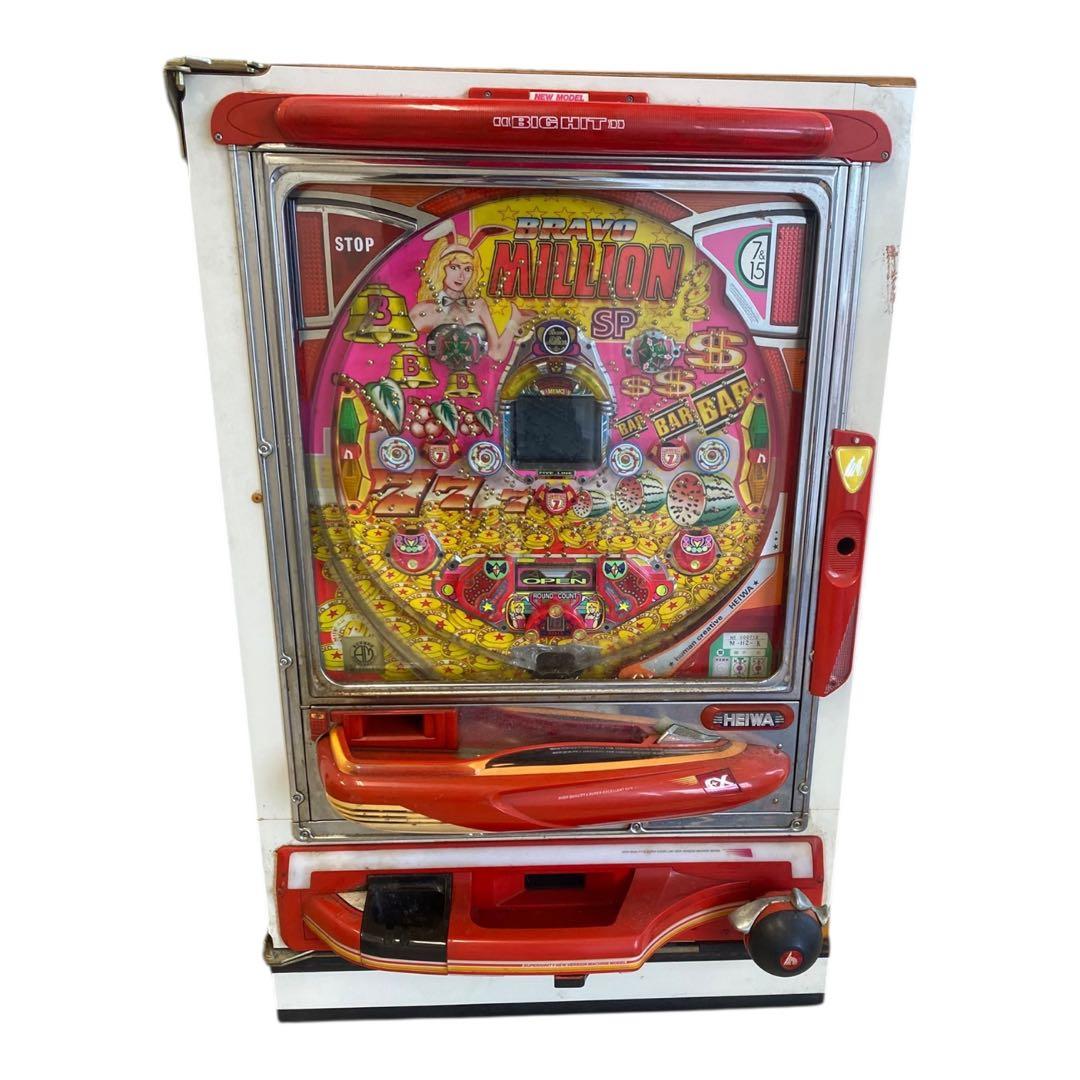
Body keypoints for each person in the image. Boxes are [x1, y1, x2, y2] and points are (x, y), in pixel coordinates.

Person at [410, 220, 537, 362]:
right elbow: (399, 344)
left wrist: (513, 321)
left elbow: (496, 353)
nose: (461, 276)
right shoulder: (424, 309)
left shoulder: (478, 305)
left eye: (467, 269)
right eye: (454, 267)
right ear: (441, 268)